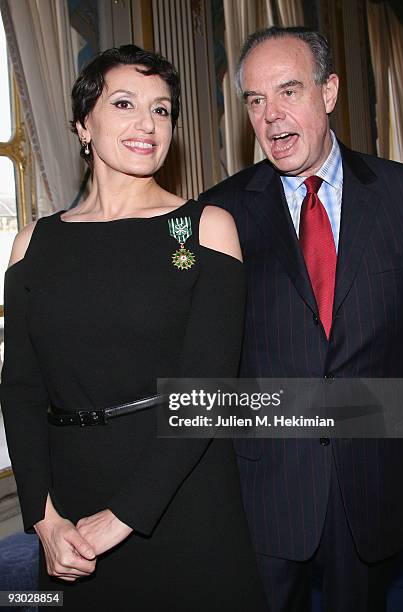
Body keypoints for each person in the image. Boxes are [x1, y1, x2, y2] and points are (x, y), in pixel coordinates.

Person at [0, 45, 266, 611]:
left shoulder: (202, 229)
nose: (148, 124)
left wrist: (121, 518)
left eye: (162, 110)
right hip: (68, 507)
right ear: (82, 125)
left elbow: (209, 393)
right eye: (124, 103)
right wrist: (45, 520)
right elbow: (21, 392)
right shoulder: (33, 245)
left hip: (181, 495)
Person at [198, 26, 403, 612]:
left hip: (373, 477)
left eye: (288, 91)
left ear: (329, 92)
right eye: (255, 101)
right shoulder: (217, 213)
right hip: (265, 484)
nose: (271, 116)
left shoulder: (401, 196)